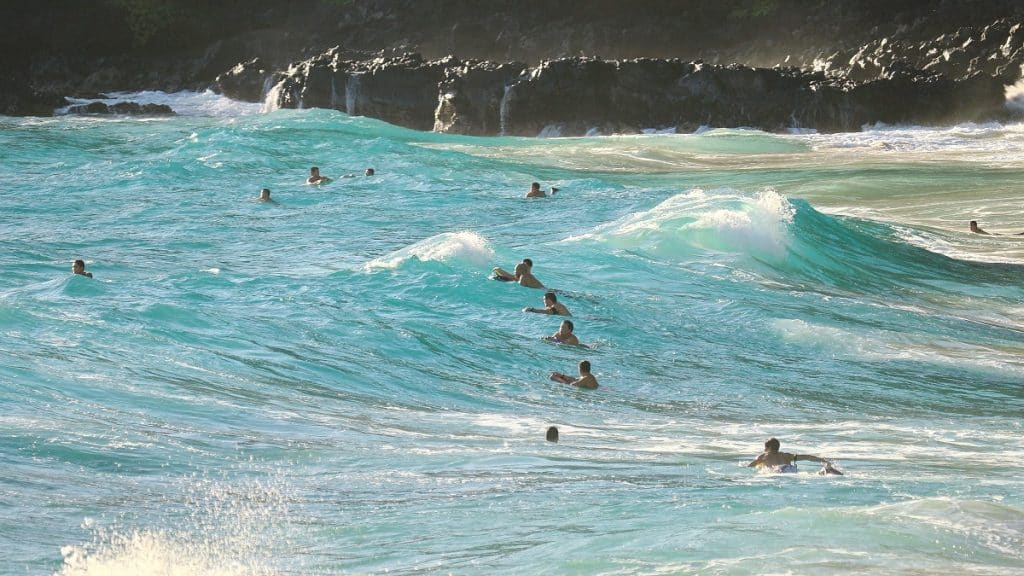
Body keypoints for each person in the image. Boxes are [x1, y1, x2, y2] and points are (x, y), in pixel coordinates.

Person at [747, 438, 842, 475]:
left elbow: (750, 466)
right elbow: (807, 457)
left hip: (779, 470)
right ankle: (826, 470)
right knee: (813, 475)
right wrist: (823, 460)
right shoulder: (787, 455)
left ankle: (825, 471)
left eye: (765, 447)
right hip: (790, 469)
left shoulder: (763, 456)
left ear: (769, 447)